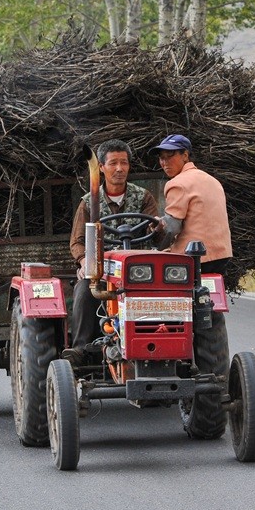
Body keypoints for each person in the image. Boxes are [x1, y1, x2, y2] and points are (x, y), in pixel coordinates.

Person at [65, 139, 159, 360]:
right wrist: (84, 262)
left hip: (138, 268)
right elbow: (77, 241)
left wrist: (158, 227)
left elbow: (158, 235)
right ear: (102, 168)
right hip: (104, 267)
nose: (119, 169)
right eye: (114, 163)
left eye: (124, 163)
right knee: (84, 289)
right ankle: (81, 349)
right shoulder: (89, 202)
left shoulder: (143, 197)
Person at [150, 134, 232, 274]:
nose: (165, 162)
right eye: (161, 158)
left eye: (170, 155)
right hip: (221, 255)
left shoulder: (177, 183)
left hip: (193, 258)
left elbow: (171, 228)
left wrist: (157, 236)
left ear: (185, 155)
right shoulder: (212, 181)